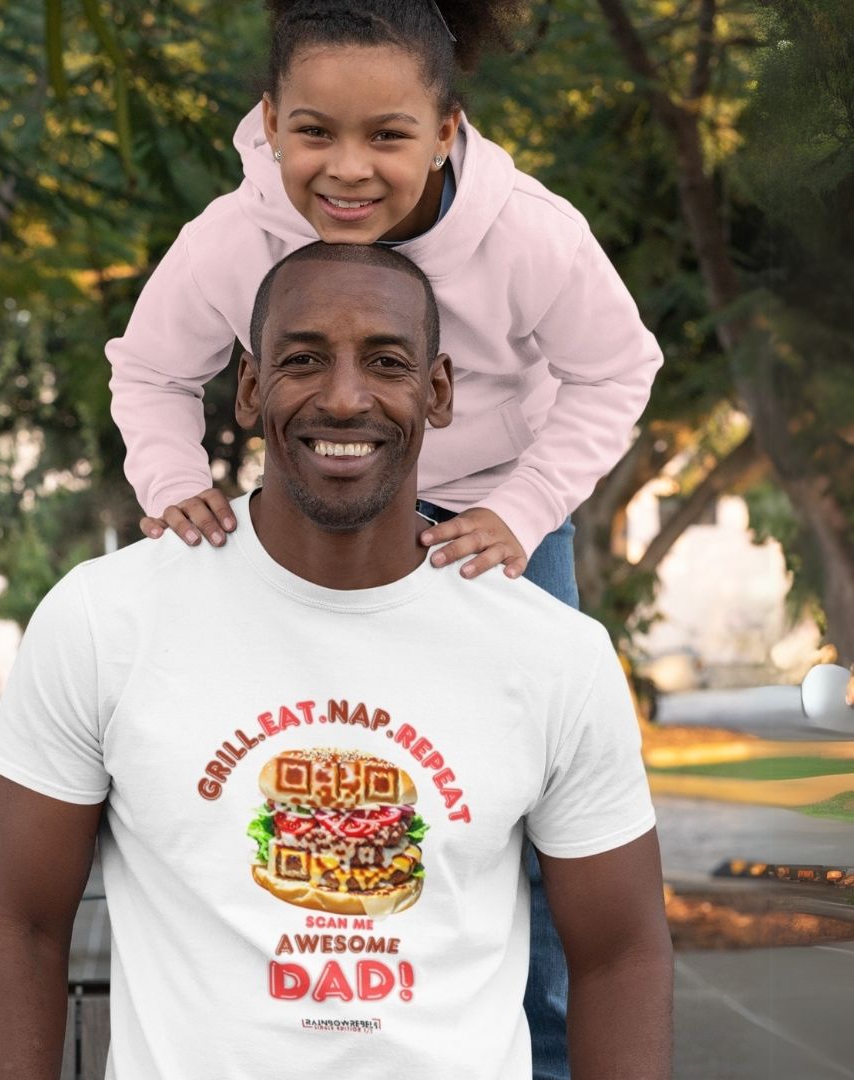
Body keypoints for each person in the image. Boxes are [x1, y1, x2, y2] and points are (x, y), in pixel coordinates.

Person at [104, 3, 663, 1073]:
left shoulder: (528, 232)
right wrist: (174, 481)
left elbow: (616, 365)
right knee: (321, 758)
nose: (347, 169)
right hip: (321, 511)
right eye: (315, 133)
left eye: (388, 137)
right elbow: (152, 367)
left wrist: (527, 506)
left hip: (492, 518)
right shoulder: (232, 238)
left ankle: (536, 1051)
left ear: (446, 129)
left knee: (538, 802)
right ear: (270, 124)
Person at [0, 242, 672, 1080]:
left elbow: (620, 956)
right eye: (303, 359)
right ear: (251, 389)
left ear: (437, 391)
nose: (345, 397)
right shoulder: (106, 618)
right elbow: (18, 922)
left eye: (386, 361)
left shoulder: (553, 652)